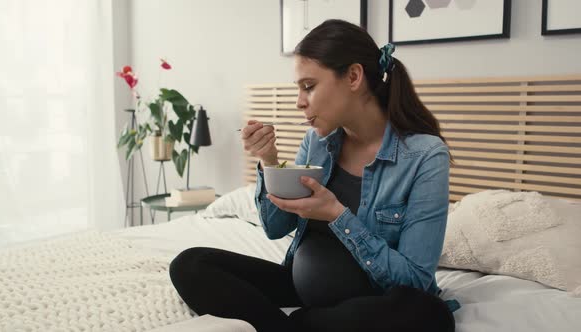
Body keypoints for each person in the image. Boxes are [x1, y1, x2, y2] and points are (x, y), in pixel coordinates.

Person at [169, 19, 456, 332]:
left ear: (354, 76)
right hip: (302, 287)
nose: (299, 102)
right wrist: (269, 161)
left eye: (309, 86)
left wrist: (337, 215)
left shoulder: (425, 156)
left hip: (373, 298)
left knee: (430, 314)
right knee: (191, 264)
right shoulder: (317, 141)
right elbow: (276, 228)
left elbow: (414, 280)